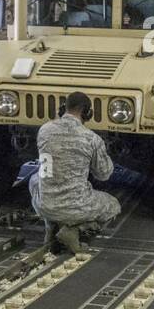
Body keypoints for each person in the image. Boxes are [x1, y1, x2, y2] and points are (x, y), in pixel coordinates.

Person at [28, 91, 120, 253]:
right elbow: (104, 175)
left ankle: (50, 225)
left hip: (44, 206)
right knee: (113, 205)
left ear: (63, 108)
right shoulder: (91, 139)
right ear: (87, 113)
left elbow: (48, 165)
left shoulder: (44, 130)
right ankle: (73, 230)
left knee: (35, 179)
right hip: (77, 206)